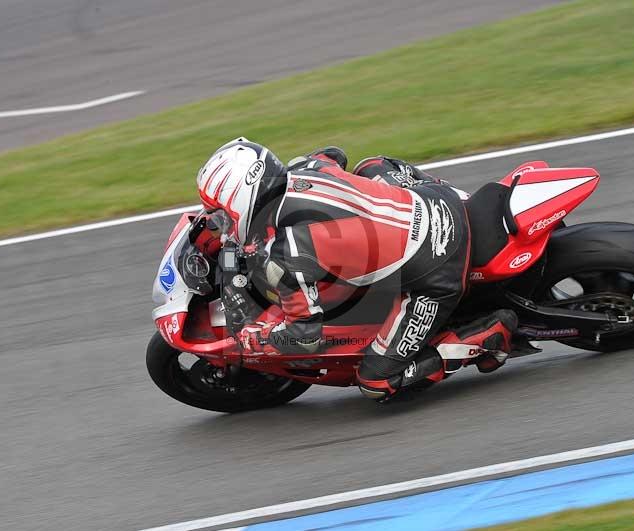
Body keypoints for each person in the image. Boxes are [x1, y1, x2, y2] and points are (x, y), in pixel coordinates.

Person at [195, 138, 517, 401]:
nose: (217, 221)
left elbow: (305, 336)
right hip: (435, 197)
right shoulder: (304, 168)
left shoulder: (290, 254)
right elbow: (335, 155)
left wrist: (253, 339)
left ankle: (486, 337)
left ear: (242, 201)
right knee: (370, 166)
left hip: (439, 267)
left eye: (220, 212)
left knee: (376, 381)